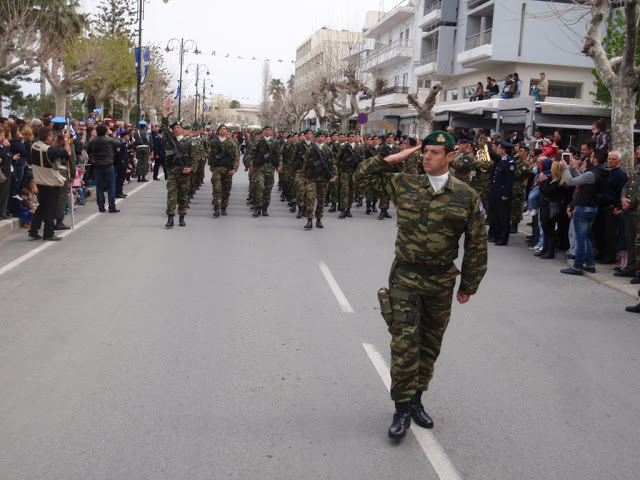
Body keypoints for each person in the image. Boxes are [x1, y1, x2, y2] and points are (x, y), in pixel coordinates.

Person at [353, 130, 487, 440]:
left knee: (429, 344)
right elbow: (361, 178)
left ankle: (416, 399)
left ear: (450, 156)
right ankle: (401, 408)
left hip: (441, 280)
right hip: (405, 276)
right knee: (404, 342)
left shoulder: (466, 195)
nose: (427, 156)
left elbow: (477, 243)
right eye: (424, 151)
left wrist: (469, 283)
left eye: (435, 152)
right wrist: (394, 157)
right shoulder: (405, 184)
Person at [560, 149, 609, 275]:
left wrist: (565, 168)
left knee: (581, 238)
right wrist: (572, 169)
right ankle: (590, 263)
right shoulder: (602, 172)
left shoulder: (593, 173)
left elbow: (571, 182)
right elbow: (583, 179)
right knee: (585, 237)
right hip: (592, 207)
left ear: (596, 160)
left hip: (584, 206)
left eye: (592, 157)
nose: (589, 159)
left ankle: (577, 266)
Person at [28, 126, 71, 241]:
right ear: (48, 136)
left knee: (42, 206)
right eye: (51, 136)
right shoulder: (50, 150)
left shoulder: (34, 146)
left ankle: (33, 230)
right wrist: (66, 141)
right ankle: (48, 233)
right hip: (50, 181)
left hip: (39, 179)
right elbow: (67, 154)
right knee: (50, 208)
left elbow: (48, 152)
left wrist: (56, 143)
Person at [162, 97, 194, 227]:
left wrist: (190, 168)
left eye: (178, 127)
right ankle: (170, 217)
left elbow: (194, 157)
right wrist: (166, 111)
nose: (176, 129)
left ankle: (182, 216)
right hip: (172, 171)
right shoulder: (171, 140)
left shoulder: (188, 142)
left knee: (183, 195)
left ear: (182, 129)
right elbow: (164, 126)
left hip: (184, 171)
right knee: (171, 194)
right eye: (174, 127)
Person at [302, 130, 337, 229]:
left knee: (321, 199)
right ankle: (309, 219)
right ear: (315, 138)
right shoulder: (310, 149)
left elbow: (332, 164)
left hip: (323, 178)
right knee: (310, 197)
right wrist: (304, 176)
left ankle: (319, 219)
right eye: (319, 137)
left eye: (322, 137)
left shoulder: (328, 150)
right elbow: (305, 163)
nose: (321, 139)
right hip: (312, 177)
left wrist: (334, 175)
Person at [248, 124, 282, 217]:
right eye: (266, 130)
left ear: (272, 132)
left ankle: (265, 208)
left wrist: (279, 166)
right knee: (259, 186)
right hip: (259, 167)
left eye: (269, 130)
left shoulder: (275, 142)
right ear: (263, 131)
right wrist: (251, 164)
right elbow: (252, 154)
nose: (267, 131)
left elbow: (279, 155)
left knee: (268, 188)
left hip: (270, 167)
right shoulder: (258, 141)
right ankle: (258, 207)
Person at [86, 124, 121, 213]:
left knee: (100, 186)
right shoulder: (108, 140)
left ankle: (101, 206)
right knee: (111, 185)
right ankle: (112, 206)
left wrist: (93, 156)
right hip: (108, 164)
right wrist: (111, 134)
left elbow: (87, 149)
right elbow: (118, 142)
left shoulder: (93, 141)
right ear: (105, 131)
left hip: (97, 165)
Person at [488, 140, 516, 245]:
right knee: (495, 215)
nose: (498, 149)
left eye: (500, 148)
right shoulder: (502, 161)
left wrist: (506, 194)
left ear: (504, 150)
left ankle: (503, 237)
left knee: (503, 216)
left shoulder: (510, 162)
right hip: (496, 191)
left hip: (503, 193)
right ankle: (496, 235)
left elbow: (509, 180)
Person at [209, 124, 240, 217]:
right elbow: (210, 154)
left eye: (224, 129)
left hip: (227, 169)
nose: (222, 130)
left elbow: (236, 156)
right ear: (218, 131)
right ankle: (216, 207)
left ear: (227, 131)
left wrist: (234, 168)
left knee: (226, 189)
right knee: (216, 188)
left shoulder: (232, 142)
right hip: (217, 168)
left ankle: (224, 207)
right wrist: (210, 165)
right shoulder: (214, 142)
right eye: (221, 129)